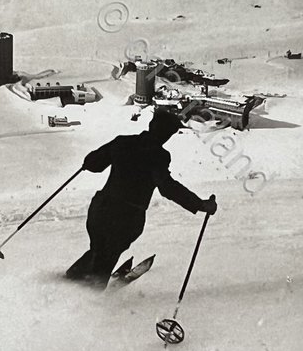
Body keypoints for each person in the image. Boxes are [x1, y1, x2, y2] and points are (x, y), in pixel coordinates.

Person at [64, 108, 216, 288]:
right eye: (170, 133)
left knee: (98, 250)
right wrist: (200, 205)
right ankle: (86, 304)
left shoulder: (122, 142)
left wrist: (91, 161)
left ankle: (67, 284)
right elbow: (167, 187)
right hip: (125, 217)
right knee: (104, 260)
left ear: (151, 125)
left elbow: (93, 163)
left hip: (100, 209)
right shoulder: (158, 155)